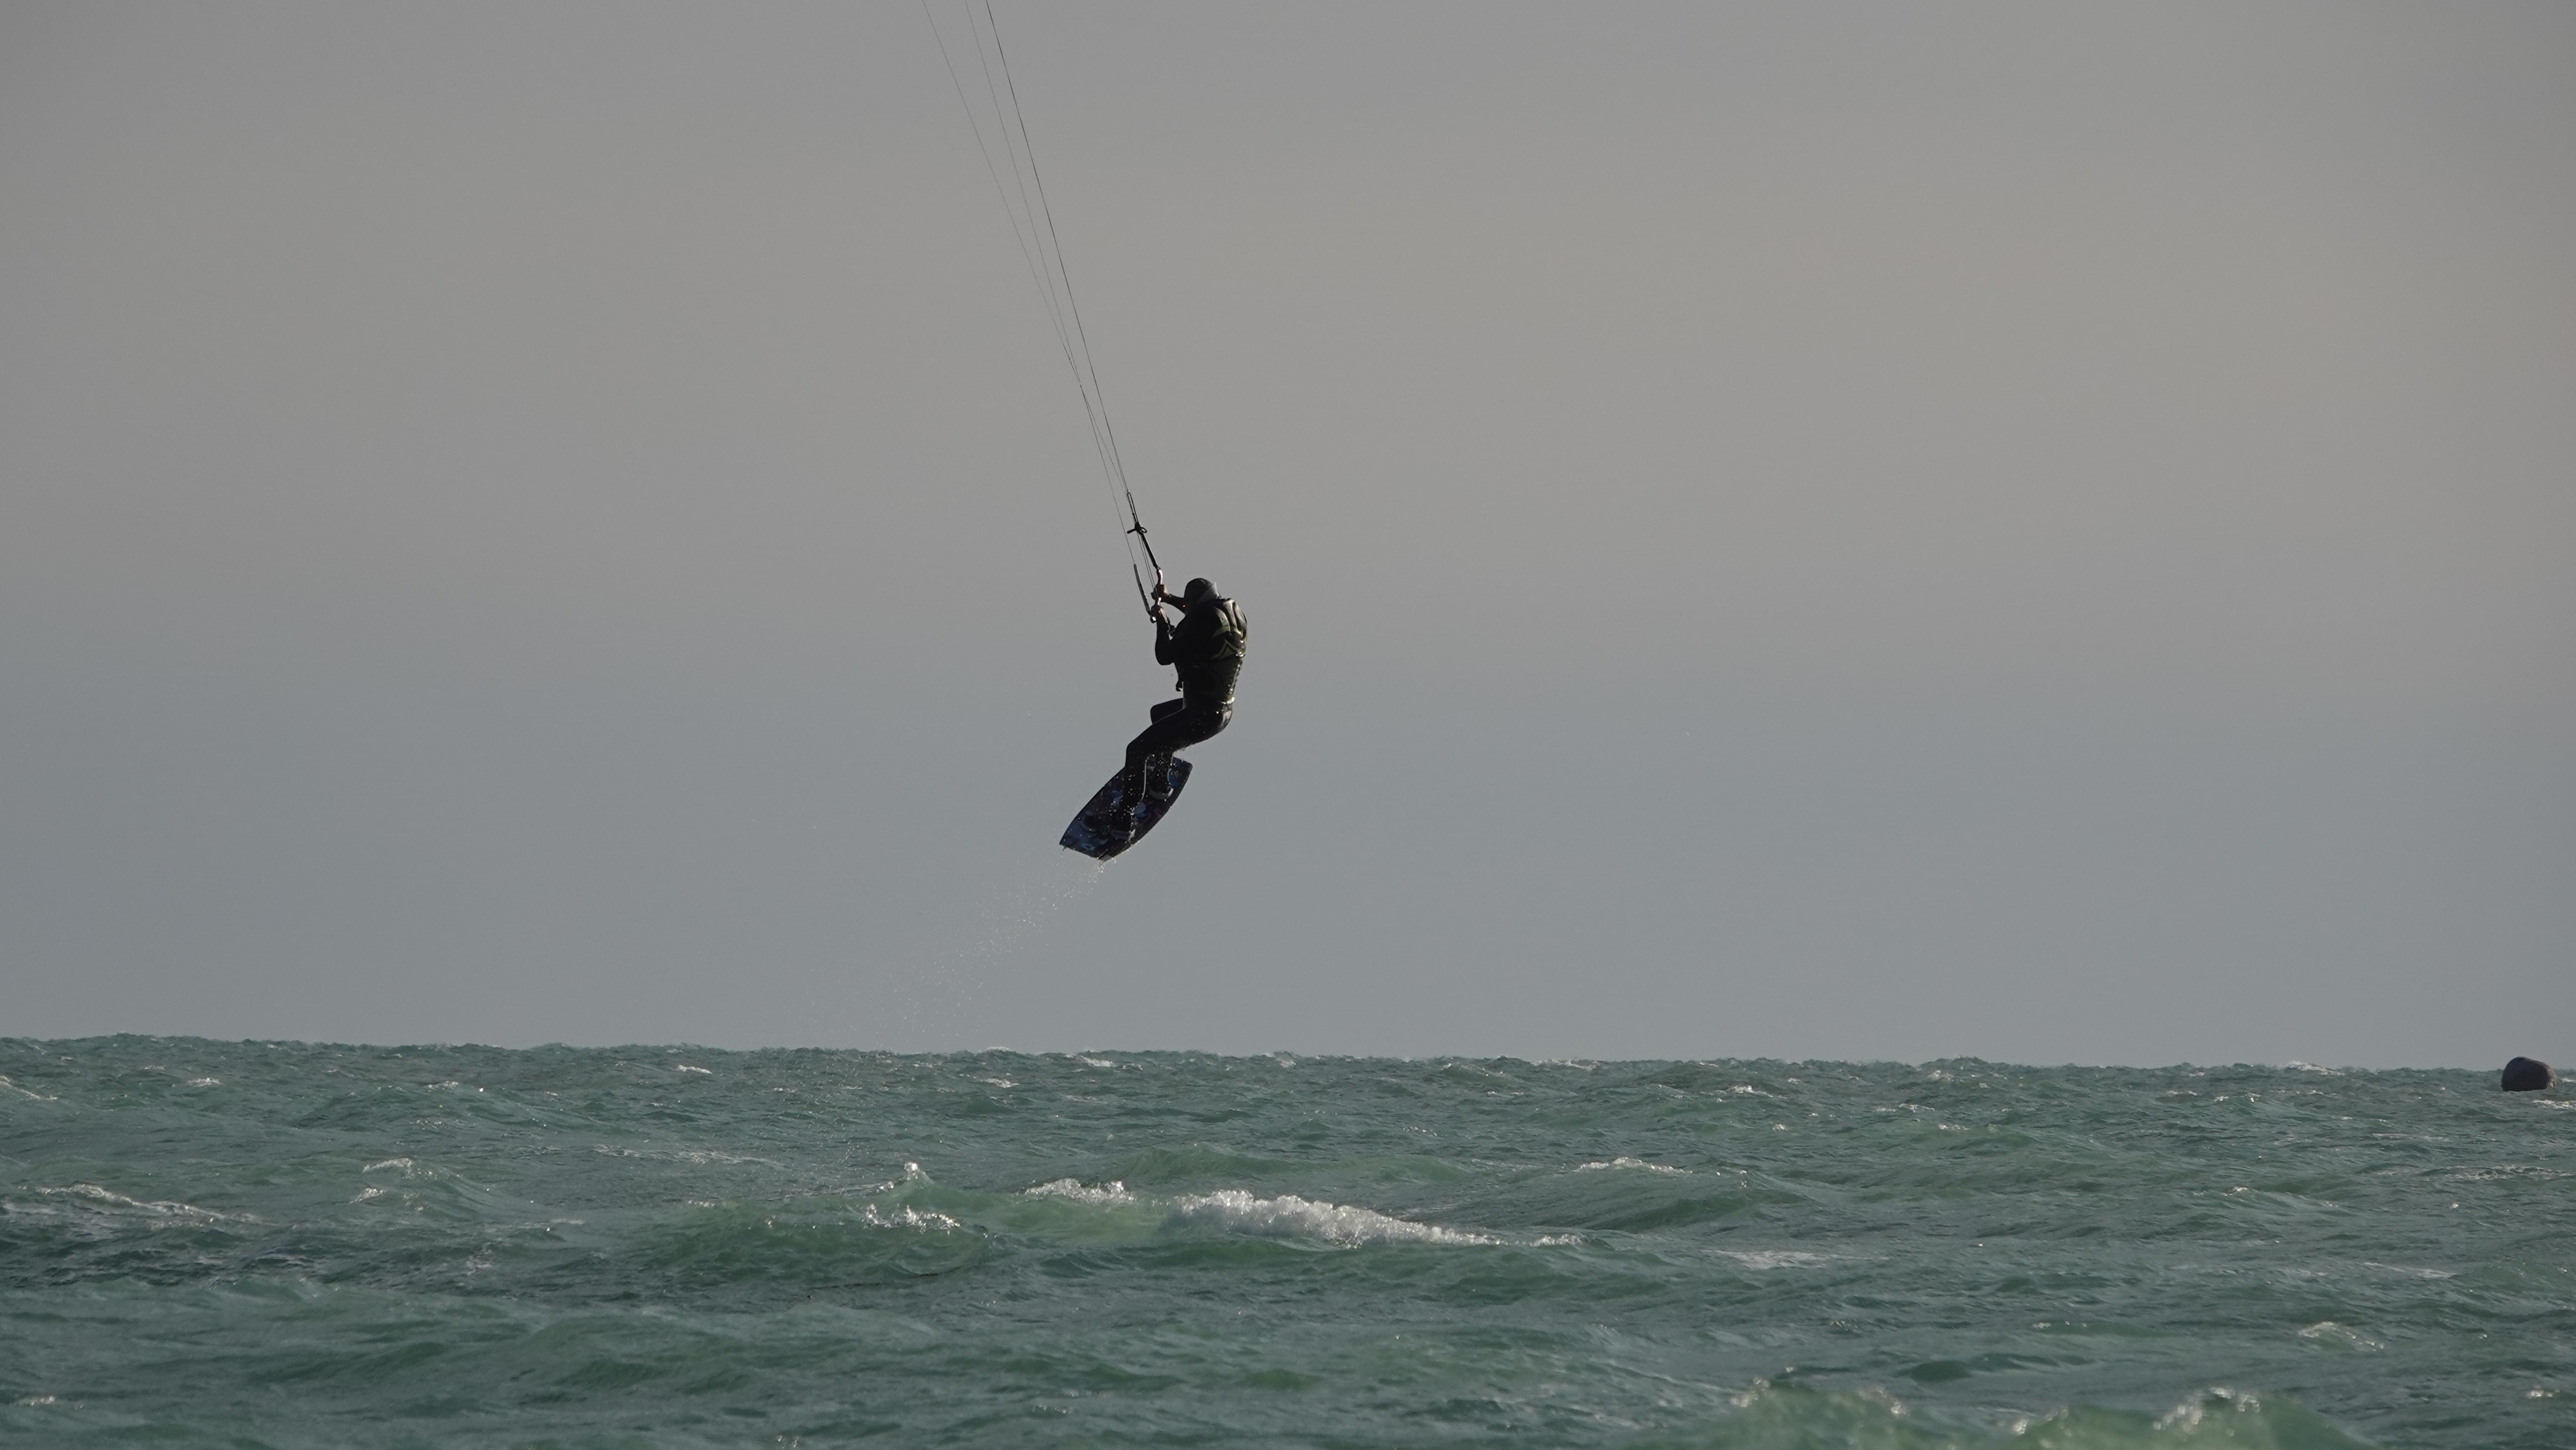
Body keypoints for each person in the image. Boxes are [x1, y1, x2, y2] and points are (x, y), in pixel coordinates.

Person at [1121, 577, 1247, 811]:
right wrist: (1169, 599)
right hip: (1220, 712)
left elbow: (1164, 656)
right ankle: (1159, 784)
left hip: (1200, 719)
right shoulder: (1231, 611)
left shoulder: (1197, 625)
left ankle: (1125, 816)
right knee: (1160, 714)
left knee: (1137, 750)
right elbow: (1199, 615)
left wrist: (1162, 622)